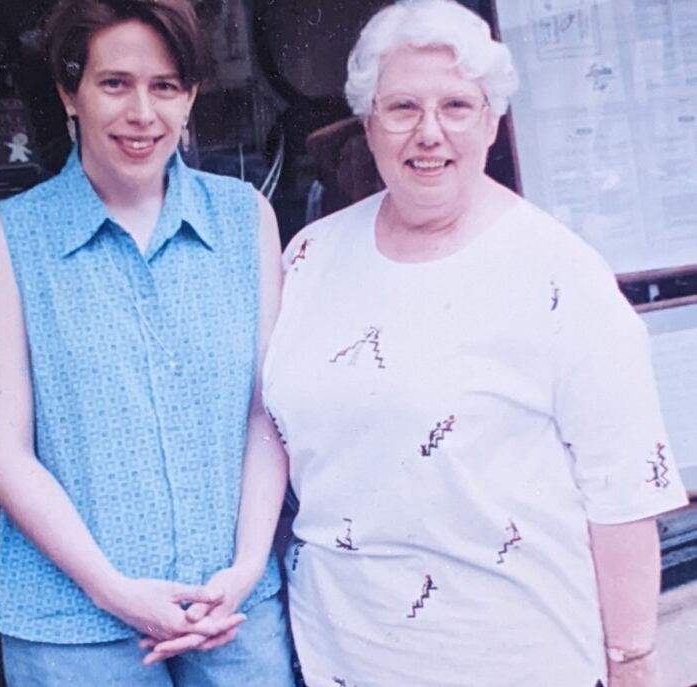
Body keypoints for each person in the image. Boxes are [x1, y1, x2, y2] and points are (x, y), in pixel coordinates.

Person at [262, 1, 688, 686]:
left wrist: (632, 661)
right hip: (337, 656)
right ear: (368, 123)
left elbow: (625, 497)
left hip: (510, 658)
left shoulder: (558, 272)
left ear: (492, 121)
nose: (429, 133)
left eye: (457, 106)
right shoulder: (310, 256)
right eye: (402, 107)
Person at [0, 1, 293, 684]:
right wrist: (114, 589)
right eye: (115, 83)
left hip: (231, 615)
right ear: (69, 91)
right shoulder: (12, 238)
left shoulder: (244, 220)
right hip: (72, 630)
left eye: (165, 86)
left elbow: (268, 412)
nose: (142, 112)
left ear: (191, 95)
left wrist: (245, 567)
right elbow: (2, 450)